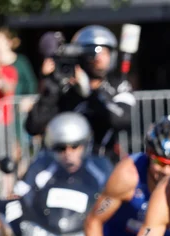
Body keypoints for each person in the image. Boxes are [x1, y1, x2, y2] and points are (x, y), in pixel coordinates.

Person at [25, 25, 134, 163]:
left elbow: (121, 120)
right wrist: (50, 87)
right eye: (93, 52)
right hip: (64, 164)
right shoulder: (65, 88)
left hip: (101, 162)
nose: (99, 58)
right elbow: (34, 126)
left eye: (104, 52)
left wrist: (91, 92)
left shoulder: (119, 86)